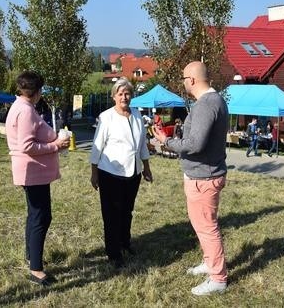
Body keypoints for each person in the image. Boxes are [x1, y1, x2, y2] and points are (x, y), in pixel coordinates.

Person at [153, 61, 229, 296]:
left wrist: (166, 142)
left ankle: (218, 278)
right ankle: (210, 262)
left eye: (184, 78)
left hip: (203, 177)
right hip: (203, 174)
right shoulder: (213, 101)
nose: (183, 82)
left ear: (192, 80)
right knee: (202, 224)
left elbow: (195, 144)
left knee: (207, 227)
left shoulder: (207, 104)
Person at [5, 71, 70, 287]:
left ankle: (31, 255)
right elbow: (27, 145)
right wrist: (56, 145)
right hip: (33, 172)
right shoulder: (25, 111)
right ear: (38, 90)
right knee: (41, 217)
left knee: (35, 215)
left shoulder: (22, 107)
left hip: (33, 172)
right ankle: (36, 268)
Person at [90, 77, 153, 269]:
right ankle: (113, 253)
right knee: (112, 214)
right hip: (111, 173)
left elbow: (141, 144)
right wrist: (94, 173)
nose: (124, 97)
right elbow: (97, 147)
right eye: (120, 94)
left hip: (133, 172)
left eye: (127, 93)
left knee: (127, 211)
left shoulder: (136, 115)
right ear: (113, 96)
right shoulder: (106, 117)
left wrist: (146, 168)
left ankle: (125, 242)